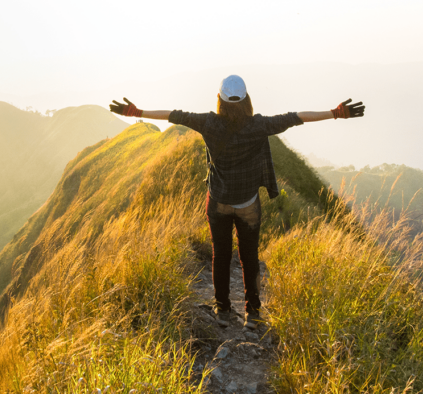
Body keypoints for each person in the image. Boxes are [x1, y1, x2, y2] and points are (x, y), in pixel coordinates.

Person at [109, 75, 365, 329]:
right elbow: (296, 117)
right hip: (248, 204)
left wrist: (137, 111)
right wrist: (334, 113)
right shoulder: (258, 126)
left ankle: (222, 310)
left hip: (218, 202)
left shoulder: (208, 123)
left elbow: (172, 115)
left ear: (219, 100)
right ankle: (252, 314)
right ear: (246, 100)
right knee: (249, 257)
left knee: (221, 255)